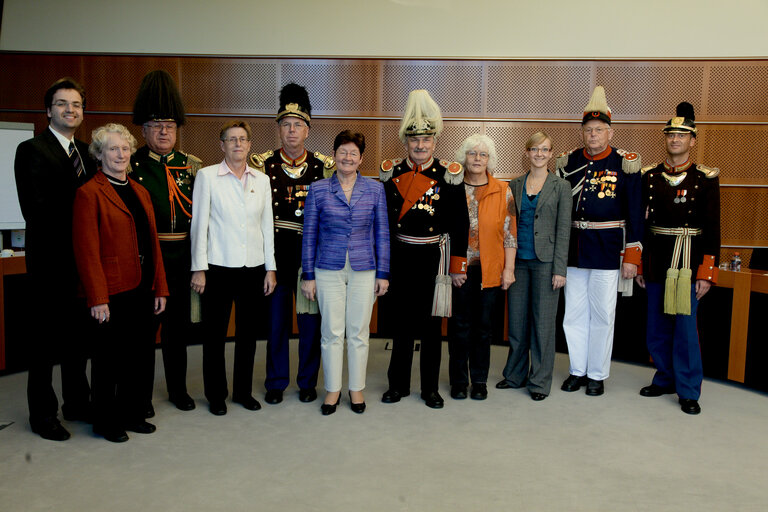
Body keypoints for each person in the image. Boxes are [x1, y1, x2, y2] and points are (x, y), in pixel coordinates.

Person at [72, 123, 168, 442]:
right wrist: (97, 298)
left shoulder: (139, 191)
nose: (121, 154)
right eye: (113, 149)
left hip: (142, 288)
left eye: (125, 148)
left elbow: (153, 243)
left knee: (138, 357)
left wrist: (161, 287)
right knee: (108, 360)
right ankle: (105, 420)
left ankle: (132, 412)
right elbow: (87, 251)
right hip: (111, 292)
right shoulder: (89, 193)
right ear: (100, 154)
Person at [14, 77, 95, 441]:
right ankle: (42, 415)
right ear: (49, 111)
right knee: (45, 344)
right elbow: (36, 209)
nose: (70, 110)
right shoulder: (32, 150)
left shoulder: (88, 155)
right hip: (50, 264)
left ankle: (77, 403)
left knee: (79, 341)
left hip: (83, 266)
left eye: (76, 105)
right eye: (63, 104)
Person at [380, 89, 469, 409]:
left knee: (433, 327)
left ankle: (430, 388)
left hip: (436, 259)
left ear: (435, 142)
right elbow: (385, 225)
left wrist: (458, 267)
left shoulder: (449, 175)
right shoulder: (392, 173)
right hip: (402, 256)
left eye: (426, 140)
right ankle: (397, 385)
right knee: (401, 324)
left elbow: (460, 224)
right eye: (414, 140)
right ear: (406, 141)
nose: (420, 146)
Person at [250, 83, 334, 405]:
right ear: (278, 128)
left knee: (311, 325)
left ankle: (308, 381)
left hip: (310, 257)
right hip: (274, 255)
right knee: (276, 325)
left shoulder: (323, 167)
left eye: (298, 125)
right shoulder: (262, 164)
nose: (292, 130)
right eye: (286, 124)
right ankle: (275, 382)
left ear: (308, 130)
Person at [556, 86, 643, 396]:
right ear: (582, 133)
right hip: (575, 248)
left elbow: (635, 213)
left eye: (598, 130)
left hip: (608, 249)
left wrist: (633, 255)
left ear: (610, 131)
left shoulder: (626, 163)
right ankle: (577, 369)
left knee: (604, 314)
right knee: (574, 313)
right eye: (588, 130)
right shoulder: (568, 162)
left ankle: (597, 373)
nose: (592, 135)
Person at [635, 102, 720, 415]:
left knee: (685, 329)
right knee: (656, 326)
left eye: (682, 135)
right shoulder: (650, 176)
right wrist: (640, 261)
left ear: (692, 141)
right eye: (671, 134)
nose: (675, 140)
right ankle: (664, 377)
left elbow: (713, 228)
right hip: (657, 257)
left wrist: (706, 272)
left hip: (687, 260)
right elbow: (641, 223)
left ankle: (687, 389)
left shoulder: (706, 178)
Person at [300, 131, 390, 415]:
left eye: (353, 153)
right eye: (342, 151)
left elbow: (382, 234)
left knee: (359, 331)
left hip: (365, 267)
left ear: (361, 158)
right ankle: (332, 390)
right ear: (334, 155)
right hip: (327, 267)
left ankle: (356, 388)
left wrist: (383, 273)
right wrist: (308, 276)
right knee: (331, 331)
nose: (347, 157)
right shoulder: (318, 189)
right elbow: (309, 234)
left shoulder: (375, 189)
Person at [191, 121, 276, 416]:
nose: (238, 144)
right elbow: (199, 224)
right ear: (222, 145)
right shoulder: (207, 177)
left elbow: (267, 227)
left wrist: (271, 268)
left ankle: (242, 391)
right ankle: (216, 394)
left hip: (253, 268)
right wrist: (198, 268)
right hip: (217, 267)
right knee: (214, 335)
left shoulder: (261, 180)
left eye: (243, 139)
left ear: (250, 145)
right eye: (232, 139)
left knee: (248, 334)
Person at [131, 70, 202, 414]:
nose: (163, 132)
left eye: (170, 126)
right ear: (143, 130)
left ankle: (178, 390)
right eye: (156, 125)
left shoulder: (192, 168)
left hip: (183, 257)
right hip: (149, 257)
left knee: (179, 330)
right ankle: (140, 396)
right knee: (145, 334)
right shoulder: (132, 166)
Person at [497, 131, 572, 400]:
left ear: (551, 154)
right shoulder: (514, 185)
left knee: (542, 326)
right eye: (534, 149)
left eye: (545, 149)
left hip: (546, 263)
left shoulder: (561, 186)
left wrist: (560, 270)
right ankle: (515, 375)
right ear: (526, 153)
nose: (539, 154)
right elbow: (506, 227)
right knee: (517, 323)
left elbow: (564, 230)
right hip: (517, 262)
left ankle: (539, 382)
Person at [447, 134, 516, 401]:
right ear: (463, 156)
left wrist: (508, 269)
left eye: (483, 154)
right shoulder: (452, 187)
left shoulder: (503, 190)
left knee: (483, 327)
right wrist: (453, 266)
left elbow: (511, 233)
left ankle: (479, 380)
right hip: (459, 269)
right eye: (472, 153)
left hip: (491, 268)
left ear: (490, 160)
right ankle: (458, 381)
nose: (477, 159)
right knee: (460, 325)